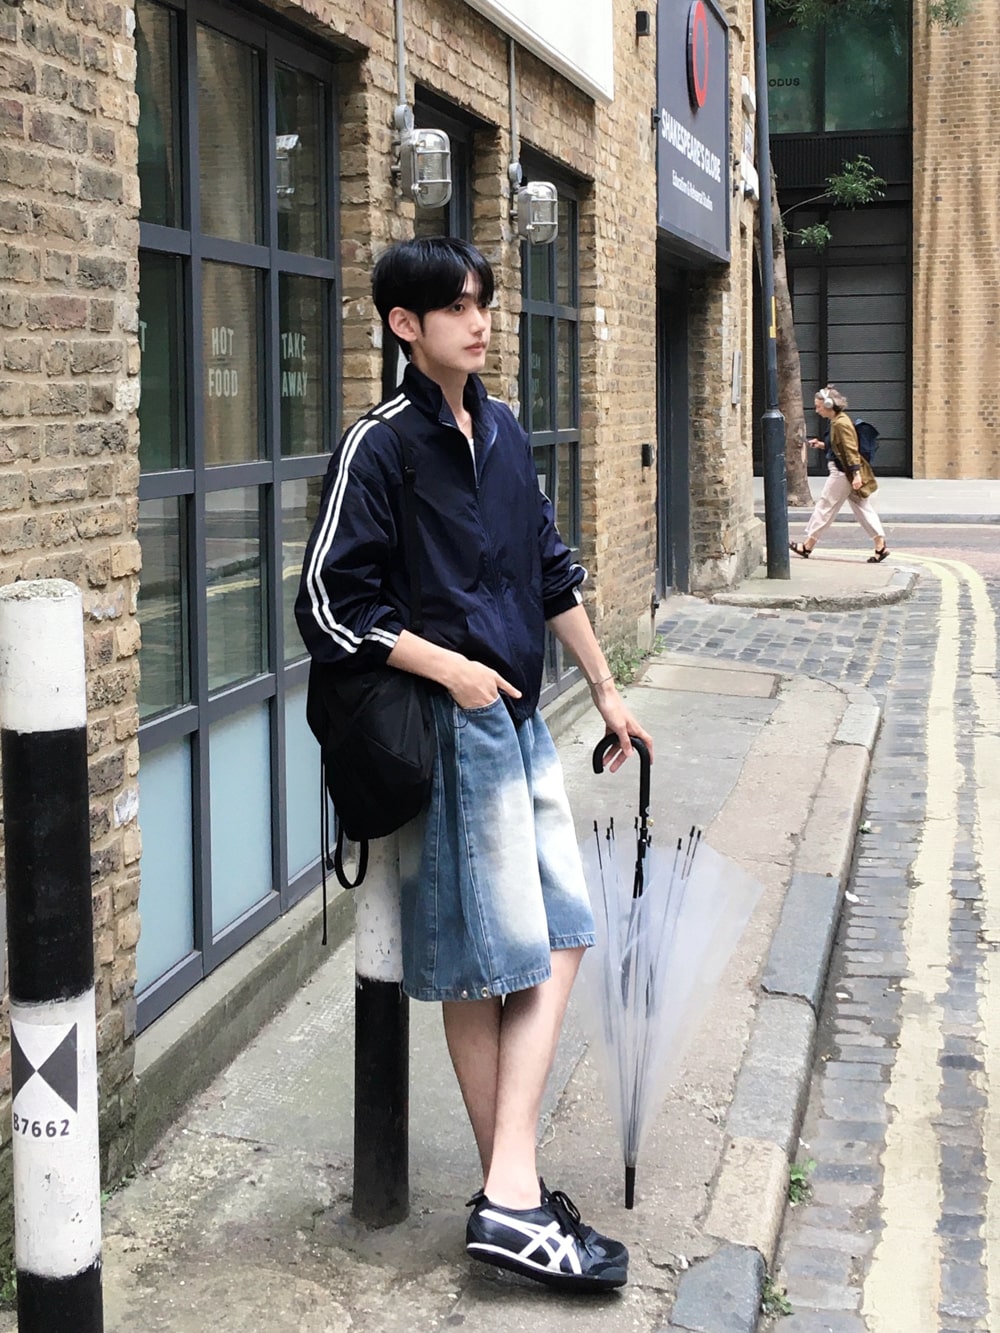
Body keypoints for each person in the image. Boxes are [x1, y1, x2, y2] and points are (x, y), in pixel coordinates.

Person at [295, 237, 652, 1293]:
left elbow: (549, 568)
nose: (479, 320)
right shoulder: (380, 445)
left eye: (483, 302)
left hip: (519, 718)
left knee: (559, 936)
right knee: (496, 963)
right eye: (455, 306)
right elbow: (327, 605)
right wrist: (448, 668)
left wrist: (608, 688)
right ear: (404, 324)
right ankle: (513, 1200)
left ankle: (508, 1189)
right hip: (450, 728)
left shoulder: (500, 430)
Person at [789, 385, 890, 562]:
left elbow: (850, 449)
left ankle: (807, 546)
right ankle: (880, 545)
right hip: (846, 472)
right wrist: (822, 445)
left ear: (829, 405)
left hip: (842, 473)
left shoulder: (840, 423)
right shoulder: (838, 421)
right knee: (862, 508)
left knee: (825, 506)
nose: (816, 410)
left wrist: (856, 474)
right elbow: (840, 447)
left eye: (818, 406)